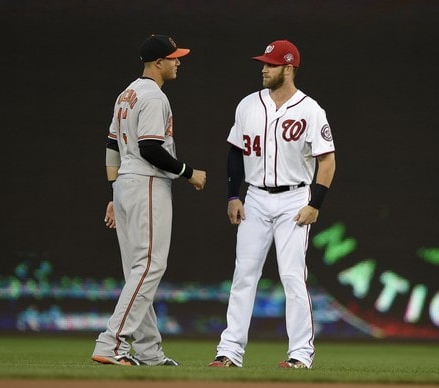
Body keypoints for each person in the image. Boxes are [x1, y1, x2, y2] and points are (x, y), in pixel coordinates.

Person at [209, 39, 336, 369]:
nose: (264, 68)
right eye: (264, 63)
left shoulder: (310, 109)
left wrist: (316, 204)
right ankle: (229, 352)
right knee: (243, 275)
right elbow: (236, 153)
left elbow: (327, 161)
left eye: (271, 63)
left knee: (293, 277)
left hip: (295, 198)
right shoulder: (248, 105)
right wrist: (233, 195)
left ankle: (300, 355)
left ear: (289, 68)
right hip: (255, 197)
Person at [91, 34, 207, 367]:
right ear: (159, 62)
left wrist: (113, 192)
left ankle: (148, 351)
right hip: (146, 182)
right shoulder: (154, 97)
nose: (178, 61)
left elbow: (112, 146)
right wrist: (189, 172)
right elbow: (151, 148)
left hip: (126, 184)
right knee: (150, 266)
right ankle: (111, 342)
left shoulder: (126, 94)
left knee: (137, 271)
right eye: (173, 57)